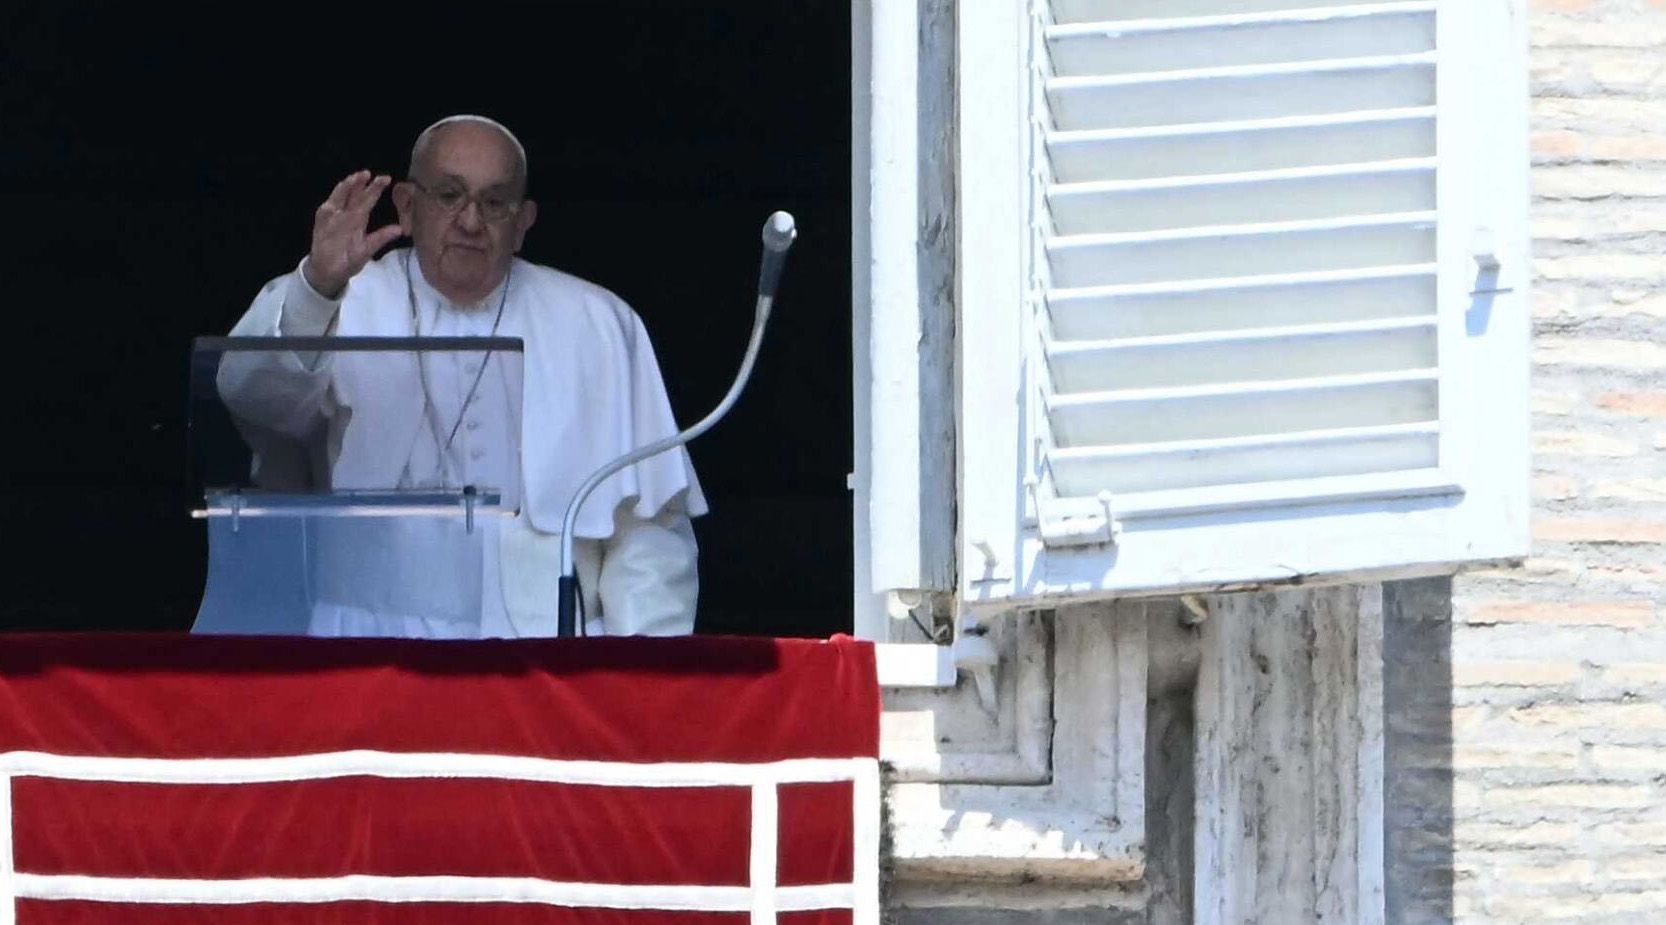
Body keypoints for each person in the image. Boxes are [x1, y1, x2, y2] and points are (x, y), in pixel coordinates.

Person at [212, 115, 704, 639]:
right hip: (367, 638)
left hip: (545, 649)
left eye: (495, 203)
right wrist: (316, 286)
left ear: (524, 222)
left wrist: (641, 678)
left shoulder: (599, 323)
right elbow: (250, 398)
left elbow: (649, 532)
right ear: (406, 205)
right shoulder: (344, 299)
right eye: (449, 195)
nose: (471, 221)